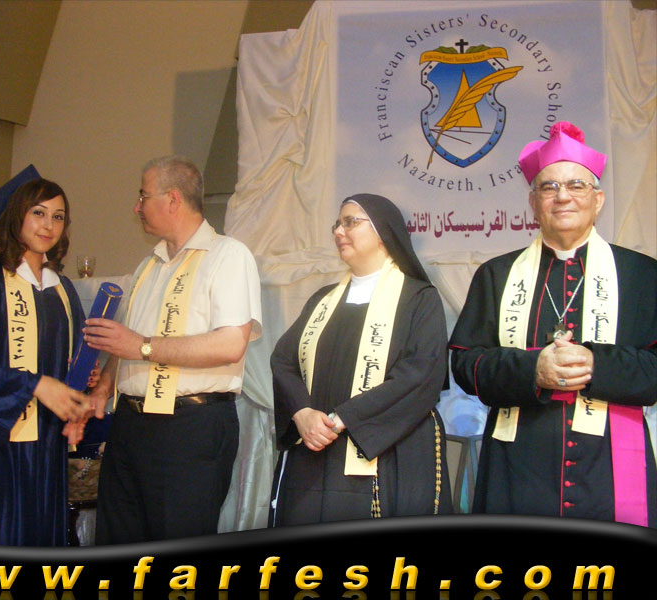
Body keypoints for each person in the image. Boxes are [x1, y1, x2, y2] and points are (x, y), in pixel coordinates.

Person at [449, 121, 657, 527]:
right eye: (549, 187)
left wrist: (597, 365)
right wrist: (533, 370)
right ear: (533, 202)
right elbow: (465, 364)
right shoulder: (496, 274)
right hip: (516, 464)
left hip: (609, 468)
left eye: (577, 185)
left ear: (598, 199)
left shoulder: (642, 274)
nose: (563, 196)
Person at [84, 155, 262, 543]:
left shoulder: (228, 256)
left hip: (190, 427)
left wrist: (142, 346)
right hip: (130, 424)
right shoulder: (148, 266)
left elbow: (231, 344)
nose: (137, 207)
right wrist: (102, 388)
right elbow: (127, 343)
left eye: (143, 196)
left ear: (173, 199)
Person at [269, 194, 452, 526]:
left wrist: (343, 418)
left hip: (387, 451)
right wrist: (302, 413)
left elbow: (420, 373)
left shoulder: (418, 299)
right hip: (315, 447)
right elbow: (284, 361)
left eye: (351, 222)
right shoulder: (322, 300)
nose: (339, 231)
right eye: (337, 224)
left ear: (383, 232)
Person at [0, 172, 90, 545]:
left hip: (45, 441)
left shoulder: (62, 289)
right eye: (38, 213)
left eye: (58, 216)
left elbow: (73, 359)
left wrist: (81, 388)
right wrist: (34, 384)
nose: (49, 225)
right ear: (17, 216)